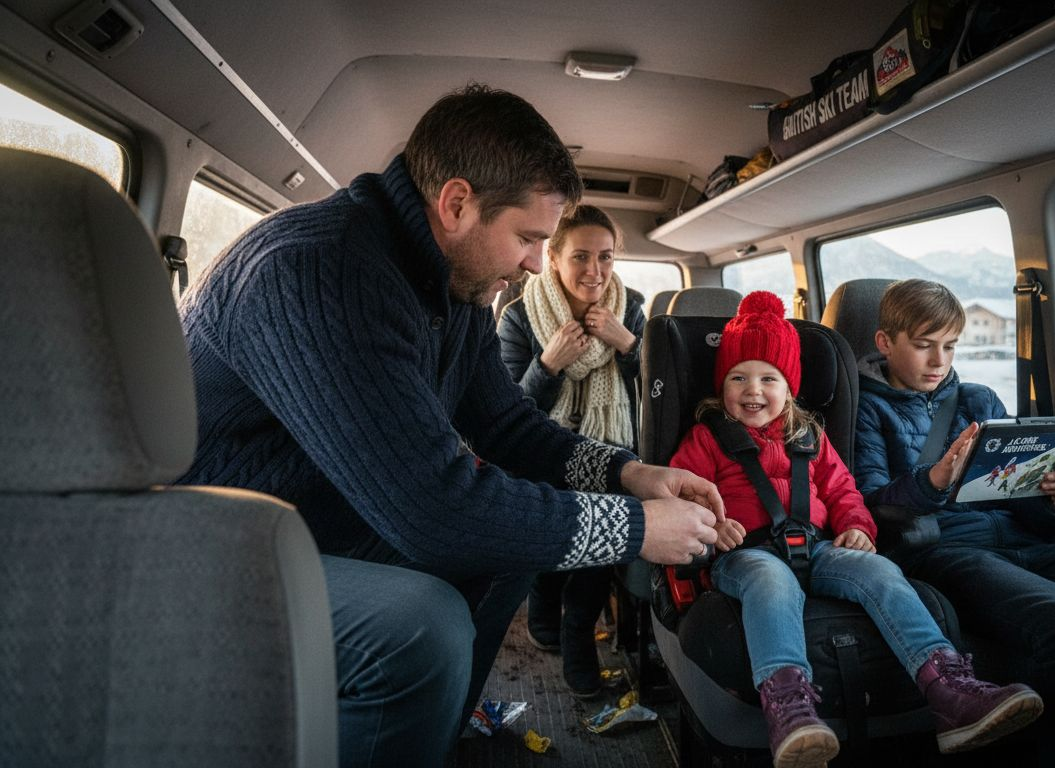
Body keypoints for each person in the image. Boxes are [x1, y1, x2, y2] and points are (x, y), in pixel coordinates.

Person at [175, 84, 724, 768]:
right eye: (528, 238)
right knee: (422, 627)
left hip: (311, 519)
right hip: (209, 546)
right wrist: (636, 529)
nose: (533, 262)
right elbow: (431, 508)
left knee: (509, 547)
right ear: (457, 204)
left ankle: (435, 726)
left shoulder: (451, 286)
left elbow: (509, 427)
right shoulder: (323, 269)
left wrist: (629, 473)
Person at [669, 292, 1043, 767]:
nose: (752, 390)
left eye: (769, 378)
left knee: (881, 572)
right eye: (737, 378)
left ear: (791, 387)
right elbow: (684, 495)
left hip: (820, 547)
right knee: (771, 581)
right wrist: (711, 526)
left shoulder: (810, 437)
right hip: (746, 554)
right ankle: (789, 707)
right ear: (722, 386)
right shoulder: (708, 437)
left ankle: (947, 688)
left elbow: (844, 489)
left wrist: (858, 527)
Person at [852, 278, 1055, 768]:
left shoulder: (979, 401)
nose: (939, 361)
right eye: (924, 346)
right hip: (942, 550)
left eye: (950, 346)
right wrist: (932, 480)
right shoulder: (866, 407)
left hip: (1019, 539)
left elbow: (1021, 501)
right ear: (885, 343)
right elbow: (868, 504)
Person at [497, 204, 644, 697]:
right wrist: (548, 363)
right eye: (580, 256)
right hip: (543, 454)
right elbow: (506, 414)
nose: (594, 271)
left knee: (597, 559)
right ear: (554, 257)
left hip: (611, 450)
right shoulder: (518, 316)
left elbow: (655, 394)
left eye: (605, 257)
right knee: (547, 558)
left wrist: (628, 345)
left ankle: (578, 641)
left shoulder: (634, 308)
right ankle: (543, 611)